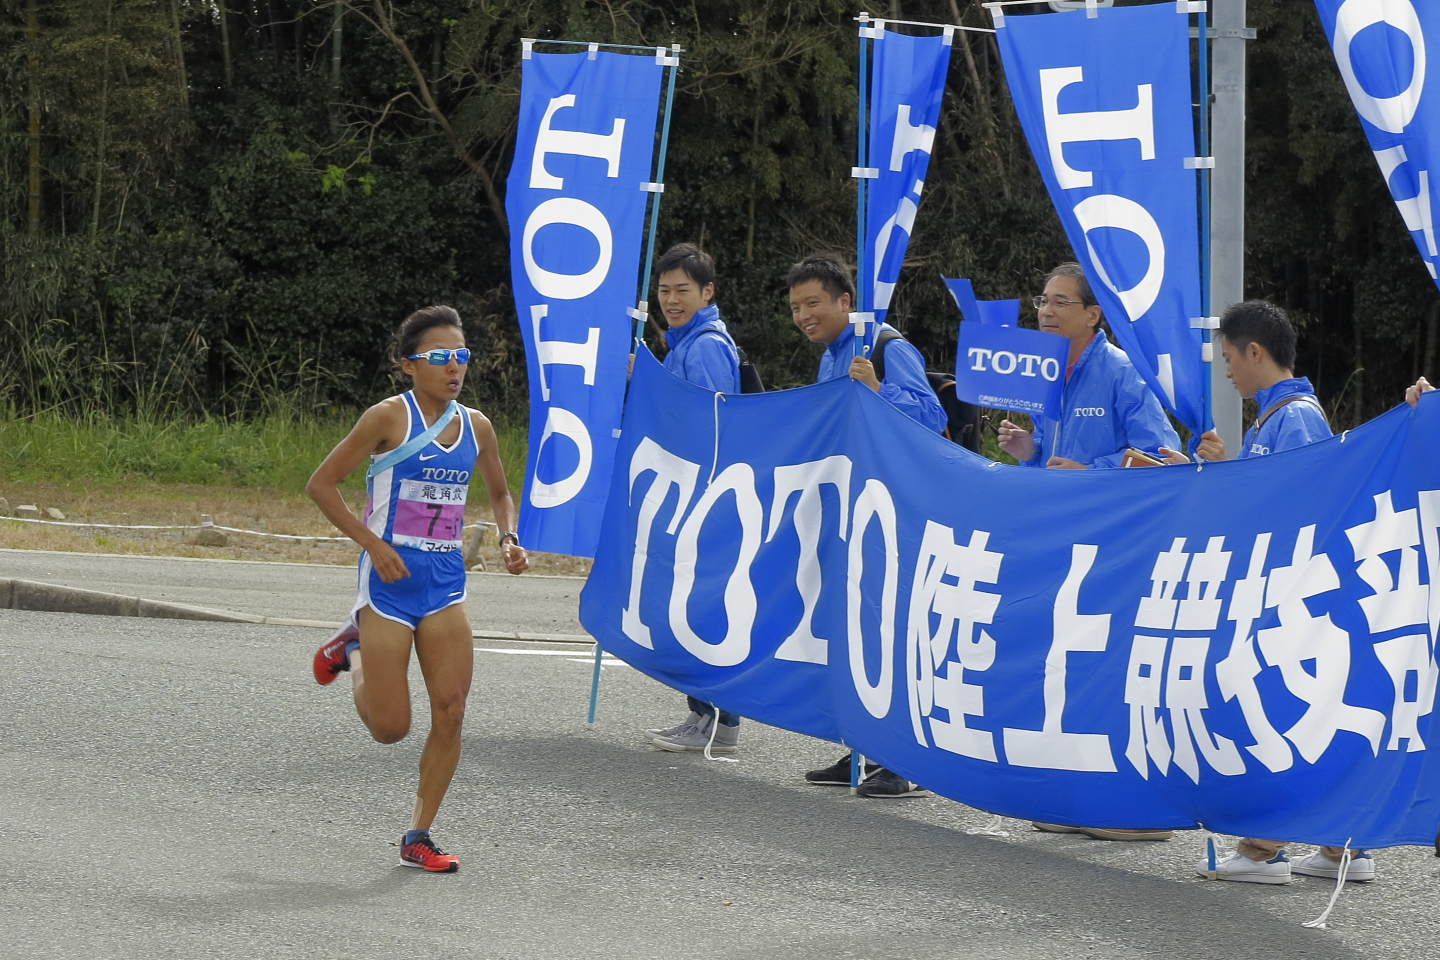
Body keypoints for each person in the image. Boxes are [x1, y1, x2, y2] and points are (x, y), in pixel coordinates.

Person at [306, 305, 528, 873]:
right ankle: (351, 646)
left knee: (451, 710)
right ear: (409, 365)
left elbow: (501, 492)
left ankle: (418, 834)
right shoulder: (386, 418)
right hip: (388, 582)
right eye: (439, 357)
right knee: (390, 728)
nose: (454, 368)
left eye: (462, 357)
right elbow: (321, 485)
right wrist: (374, 546)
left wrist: (508, 537)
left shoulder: (477, 426)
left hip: (445, 583)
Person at [1162, 300, 1370, 884]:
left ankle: (1263, 850)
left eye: (1229, 358)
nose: (1226, 371)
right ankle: (1341, 849)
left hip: (1292, 600)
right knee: (1304, 716)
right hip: (1286, 595)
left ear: (1255, 352)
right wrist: (1219, 469)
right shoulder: (1275, 416)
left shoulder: (1296, 417)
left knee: (1273, 714)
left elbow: (1303, 507)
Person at [788, 254, 943, 799]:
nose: (803, 315)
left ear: (846, 302)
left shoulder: (888, 348)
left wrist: (879, 388)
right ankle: (862, 748)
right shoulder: (831, 357)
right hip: (848, 515)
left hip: (893, 515)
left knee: (888, 632)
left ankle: (905, 761)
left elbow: (932, 418)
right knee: (851, 630)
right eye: (795, 307)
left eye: (813, 303)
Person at [642, 243, 746, 756]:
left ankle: (716, 722)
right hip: (693, 492)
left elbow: (712, 425)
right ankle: (710, 719)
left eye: (683, 290)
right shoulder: (684, 342)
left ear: (708, 292)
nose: (672, 300)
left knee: (697, 606)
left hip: (703, 496)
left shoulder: (704, 345)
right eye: (664, 290)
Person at [997, 263, 1180, 469]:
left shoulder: (1126, 372)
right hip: (1055, 500)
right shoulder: (1045, 372)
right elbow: (1050, 463)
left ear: (1093, 315)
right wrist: (1031, 454)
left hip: (1107, 501)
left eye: (1060, 302)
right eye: (1044, 301)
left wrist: (1088, 473)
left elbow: (1159, 456)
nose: (1046, 312)